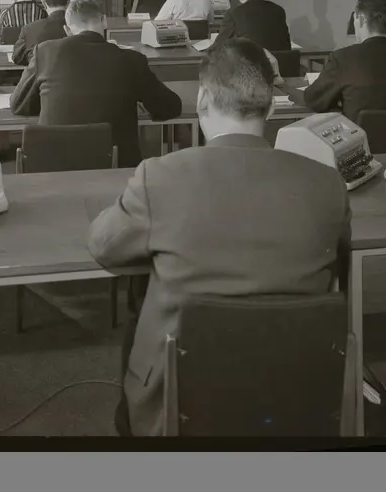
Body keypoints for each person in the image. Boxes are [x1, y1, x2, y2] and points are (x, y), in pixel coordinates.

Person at [88, 39, 351, 437]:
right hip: (298, 395)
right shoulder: (328, 183)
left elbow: (104, 248)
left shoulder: (157, 178)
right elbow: (340, 267)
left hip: (177, 406)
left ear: (202, 100)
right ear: (271, 106)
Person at [10, 0, 182, 167]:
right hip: (115, 167)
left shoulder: (44, 52)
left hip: (52, 166)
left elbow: (18, 105)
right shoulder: (132, 60)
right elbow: (170, 107)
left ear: (67, 30)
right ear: (104, 21)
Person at [291, 0, 386, 118]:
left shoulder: (341, 59)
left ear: (361, 19)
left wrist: (285, 88)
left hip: (358, 132)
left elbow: (314, 100)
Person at [210, 0, 291, 54]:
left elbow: (217, 48)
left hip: (250, 62)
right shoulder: (279, 11)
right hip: (279, 62)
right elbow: (286, 47)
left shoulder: (233, 14)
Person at [12, 0, 70, 66]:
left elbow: (17, 58)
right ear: (69, 1)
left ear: (43, 3)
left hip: (40, 74)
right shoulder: (80, 27)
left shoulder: (29, 29)